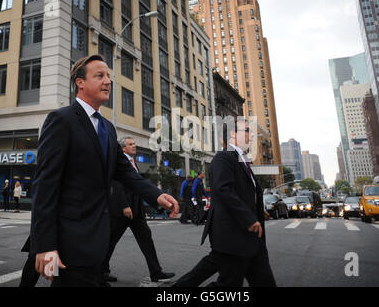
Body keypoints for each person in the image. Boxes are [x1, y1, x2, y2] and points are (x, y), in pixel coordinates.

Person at [29, 54, 179, 287]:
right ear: (80, 83)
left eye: (108, 76)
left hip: (97, 242)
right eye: (100, 76)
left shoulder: (107, 128)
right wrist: (45, 247)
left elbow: (126, 172)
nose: (108, 81)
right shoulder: (61, 120)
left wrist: (157, 195)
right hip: (69, 243)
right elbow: (45, 186)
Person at [175, 118, 276, 287]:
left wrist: (257, 211)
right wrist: (248, 218)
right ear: (233, 134)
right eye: (247, 131)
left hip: (250, 239)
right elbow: (223, 190)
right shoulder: (224, 157)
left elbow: (244, 192)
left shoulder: (242, 160)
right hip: (234, 236)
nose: (251, 136)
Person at [101, 136, 175, 285]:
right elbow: (116, 184)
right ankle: (100, 271)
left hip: (137, 210)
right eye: (130, 144)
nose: (134, 146)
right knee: (109, 241)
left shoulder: (133, 163)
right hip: (122, 210)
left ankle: (156, 272)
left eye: (134, 143)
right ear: (122, 149)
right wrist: (124, 205)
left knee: (146, 238)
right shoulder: (119, 161)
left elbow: (137, 183)